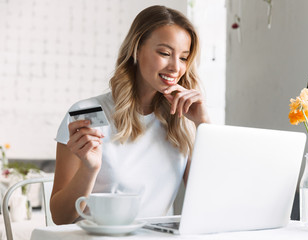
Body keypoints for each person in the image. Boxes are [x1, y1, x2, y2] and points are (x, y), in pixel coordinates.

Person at [50, 5, 210, 225]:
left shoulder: (184, 122)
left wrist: (203, 125)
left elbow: (209, 201)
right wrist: (89, 169)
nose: (175, 67)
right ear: (136, 49)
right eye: (164, 53)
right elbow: (60, 217)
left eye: (183, 58)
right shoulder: (87, 113)